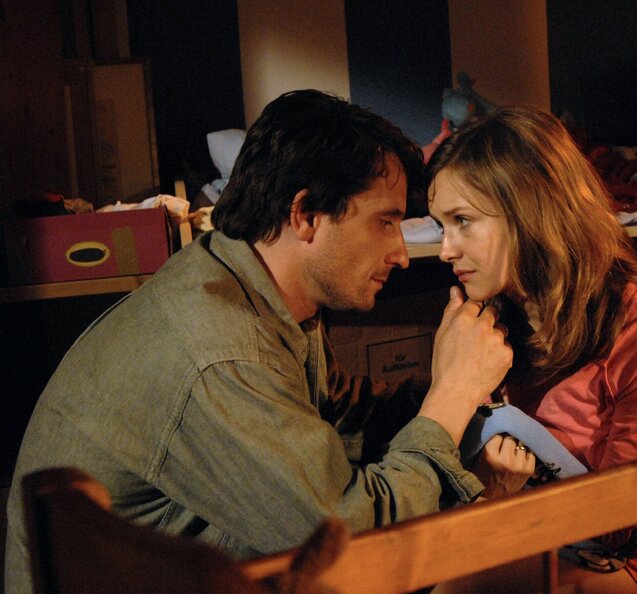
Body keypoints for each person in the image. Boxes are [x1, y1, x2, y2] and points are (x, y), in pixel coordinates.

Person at [5, 90, 514, 594]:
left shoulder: (248, 284)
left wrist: (456, 390)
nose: (401, 254)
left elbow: (336, 415)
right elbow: (355, 548)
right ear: (305, 215)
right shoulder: (223, 352)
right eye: (384, 222)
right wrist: (451, 397)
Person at [427, 107, 637, 594]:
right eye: (441, 227)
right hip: (511, 532)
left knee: (456, 586)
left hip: (624, 560)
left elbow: (620, 522)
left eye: (463, 221)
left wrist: (497, 498)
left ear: (530, 211)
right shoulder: (485, 320)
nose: (446, 250)